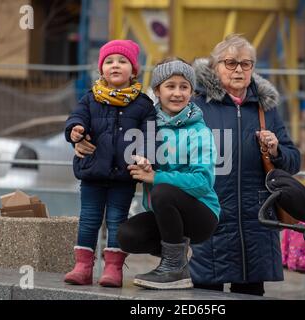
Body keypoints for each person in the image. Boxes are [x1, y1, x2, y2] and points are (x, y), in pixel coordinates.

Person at [189, 34, 301, 296]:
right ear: (215, 67)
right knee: (205, 294)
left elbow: (294, 161)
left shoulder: (266, 108)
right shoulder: (196, 106)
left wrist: (276, 150)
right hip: (211, 216)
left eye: (246, 63)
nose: (238, 69)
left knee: (250, 291)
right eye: (230, 63)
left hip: (257, 222)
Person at [116, 58, 221, 290]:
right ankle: (178, 253)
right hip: (165, 214)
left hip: (202, 214)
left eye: (184, 87)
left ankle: (173, 269)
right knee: (126, 235)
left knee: (162, 190)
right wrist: (80, 139)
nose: (177, 93)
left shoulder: (199, 132)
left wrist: (156, 177)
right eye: (170, 86)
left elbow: (203, 182)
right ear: (157, 91)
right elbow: (117, 142)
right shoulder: (148, 127)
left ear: (192, 92)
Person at [63, 39, 156, 287]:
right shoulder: (90, 98)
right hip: (93, 172)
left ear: (133, 70)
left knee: (117, 220)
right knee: (89, 219)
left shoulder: (143, 104)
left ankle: (113, 269)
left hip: (124, 176)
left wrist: (146, 155)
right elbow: (76, 118)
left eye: (123, 61)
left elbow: (149, 134)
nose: (116, 65)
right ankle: (83, 267)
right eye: (109, 61)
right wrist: (75, 130)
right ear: (101, 68)